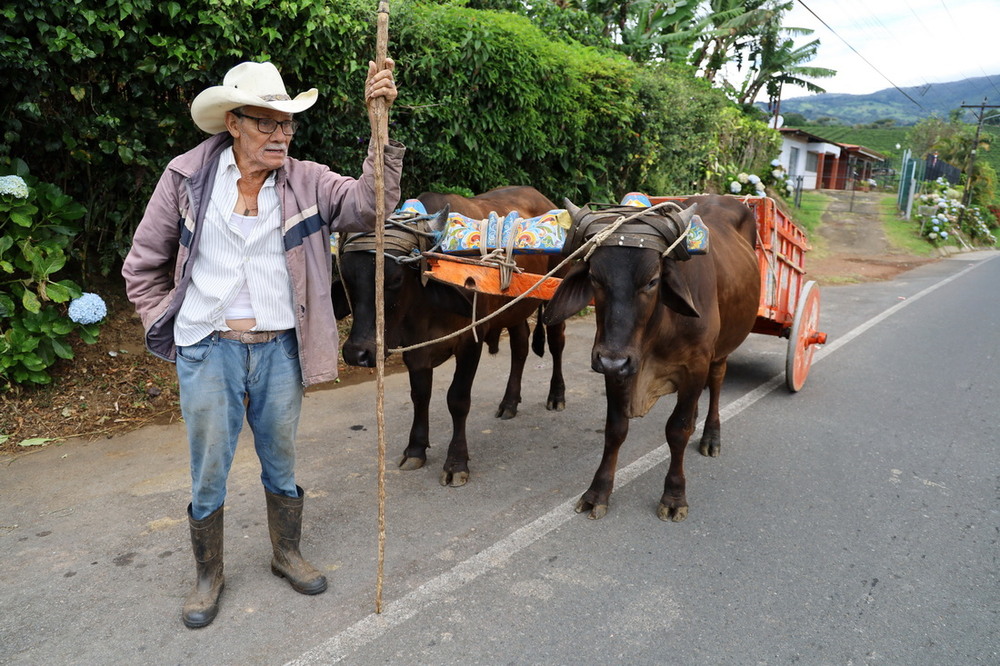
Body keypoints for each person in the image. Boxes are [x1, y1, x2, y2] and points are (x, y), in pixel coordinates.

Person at [121, 59, 402, 629]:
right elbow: (143, 264)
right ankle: (208, 574)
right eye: (266, 123)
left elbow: (371, 207)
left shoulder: (307, 181)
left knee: (280, 457)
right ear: (233, 122)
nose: (280, 135)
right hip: (207, 346)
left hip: (279, 349)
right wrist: (168, 322)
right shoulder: (184, 178)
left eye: (288, 124)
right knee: (209, 468)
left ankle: (285, 553)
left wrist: (381, 126)